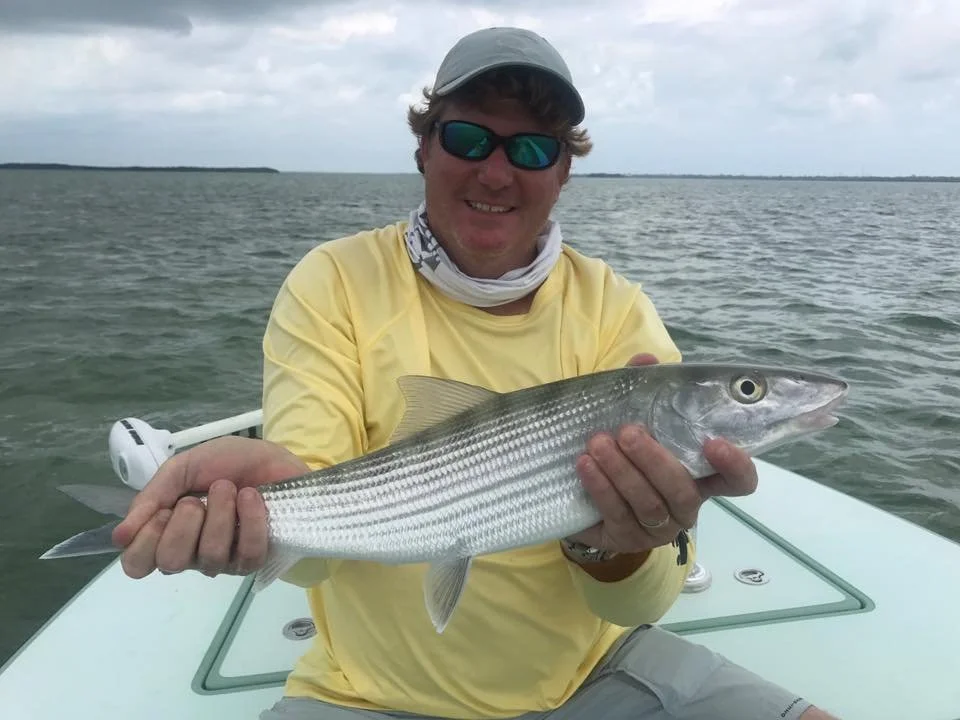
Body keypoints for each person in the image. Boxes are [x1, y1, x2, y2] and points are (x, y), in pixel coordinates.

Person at [111, 26, 839, 720]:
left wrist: (613, 545)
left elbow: (638, 607)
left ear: (562, 172)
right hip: (364, 694)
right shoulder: (333, 282)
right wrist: (264, 501)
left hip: (594, 676)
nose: (496, 172)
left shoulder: (618, 313)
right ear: (424, 148)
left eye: (531, 148)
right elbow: (312, 562)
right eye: (468, 138)